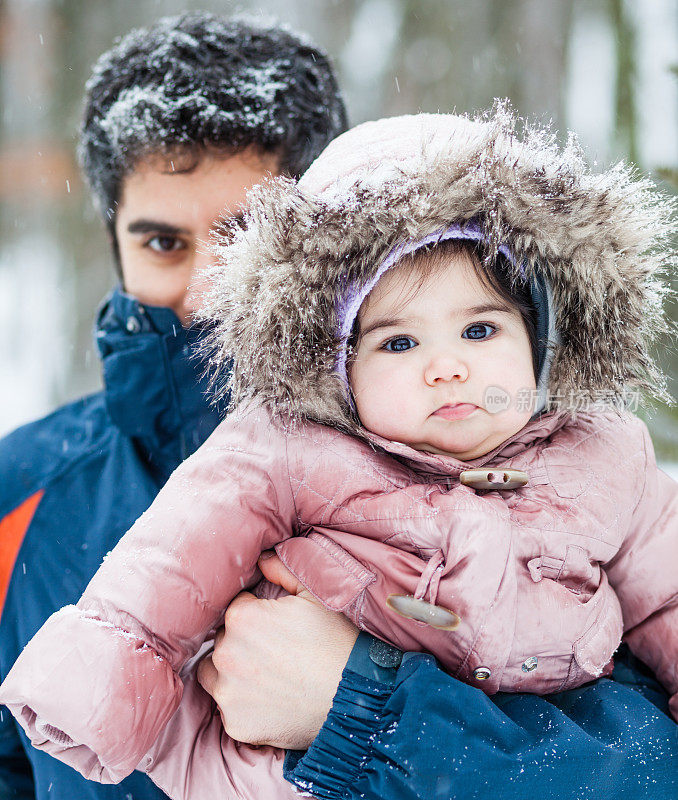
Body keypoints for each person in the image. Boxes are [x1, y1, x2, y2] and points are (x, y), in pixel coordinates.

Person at [2, 106, 677, 800]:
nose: (447, 368)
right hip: (280, 774)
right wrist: (109, 673)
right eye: (400, 343)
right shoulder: (291, 447)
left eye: (480, 329)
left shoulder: (604, 454)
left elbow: (668, 598)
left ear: (540, 339)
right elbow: (174, 556)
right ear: (337, 366)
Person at [0, 11, 347, 800]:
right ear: (113, 238)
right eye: (163, 243)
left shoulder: (464, 459)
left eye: (244, 236)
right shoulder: (18, 488)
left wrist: (369, 700)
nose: (202, 293)